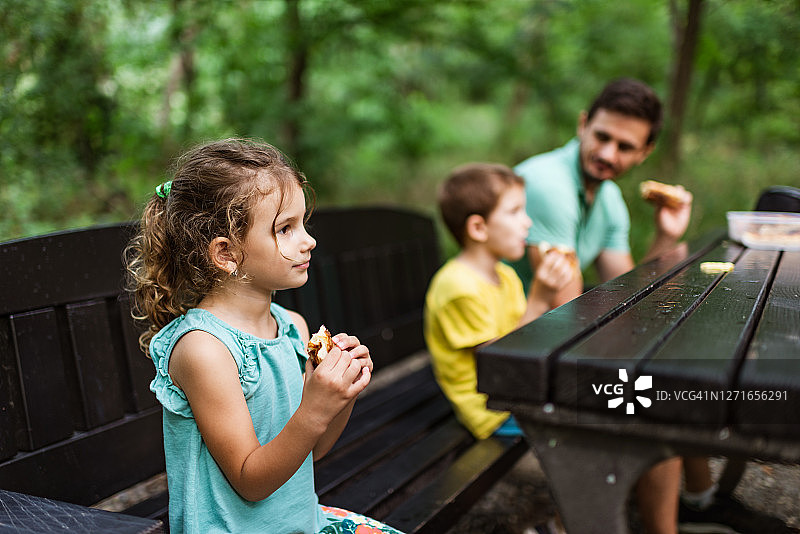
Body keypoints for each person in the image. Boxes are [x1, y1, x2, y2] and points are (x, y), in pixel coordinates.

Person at [126, 139, 402, 534]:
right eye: (285, 229)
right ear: (226, 253)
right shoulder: (204, 348)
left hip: (302, 523)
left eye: (303, 223)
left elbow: (311, 450)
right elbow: (250, 480)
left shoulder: (291, 327)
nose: (308, 240)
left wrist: (341, 395)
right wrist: (314, 409)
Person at [511, 79, 734, 533]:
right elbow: (567, 306)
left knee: (674, 373)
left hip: (547, 340)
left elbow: (633, 293)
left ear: (645, 152)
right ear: (582, 124)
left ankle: (696, 502)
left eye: (624, 146)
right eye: (602, 137)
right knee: (653, 399)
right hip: (512, 354)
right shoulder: (548, 184)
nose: (609, 154)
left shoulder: (607, 197)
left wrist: (669, 235)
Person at [424, 163, 575, 440]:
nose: (527, 222)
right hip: (491, 410)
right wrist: (540, 299)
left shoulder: (506, 275)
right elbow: (499, 365)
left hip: (517, 391)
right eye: (515, 212)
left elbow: (527, 338)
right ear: (479, 228)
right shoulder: (457, 287)